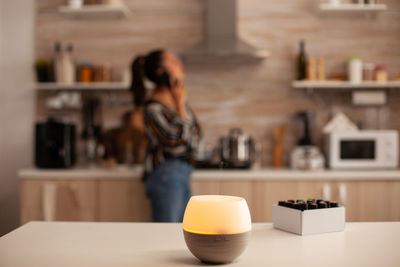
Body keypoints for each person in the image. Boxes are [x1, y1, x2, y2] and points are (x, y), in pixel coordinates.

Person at [130, 50, 201, 222]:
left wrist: (180, 105)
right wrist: (180, 106)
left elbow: (194, 136)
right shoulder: (152, 108)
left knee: (184, 232)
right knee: (165, 233)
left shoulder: (179, 101)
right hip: (166, 175)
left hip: (183, 172)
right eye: (173, 61)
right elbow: (174, 144)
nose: (179, 64)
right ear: (160, 72)